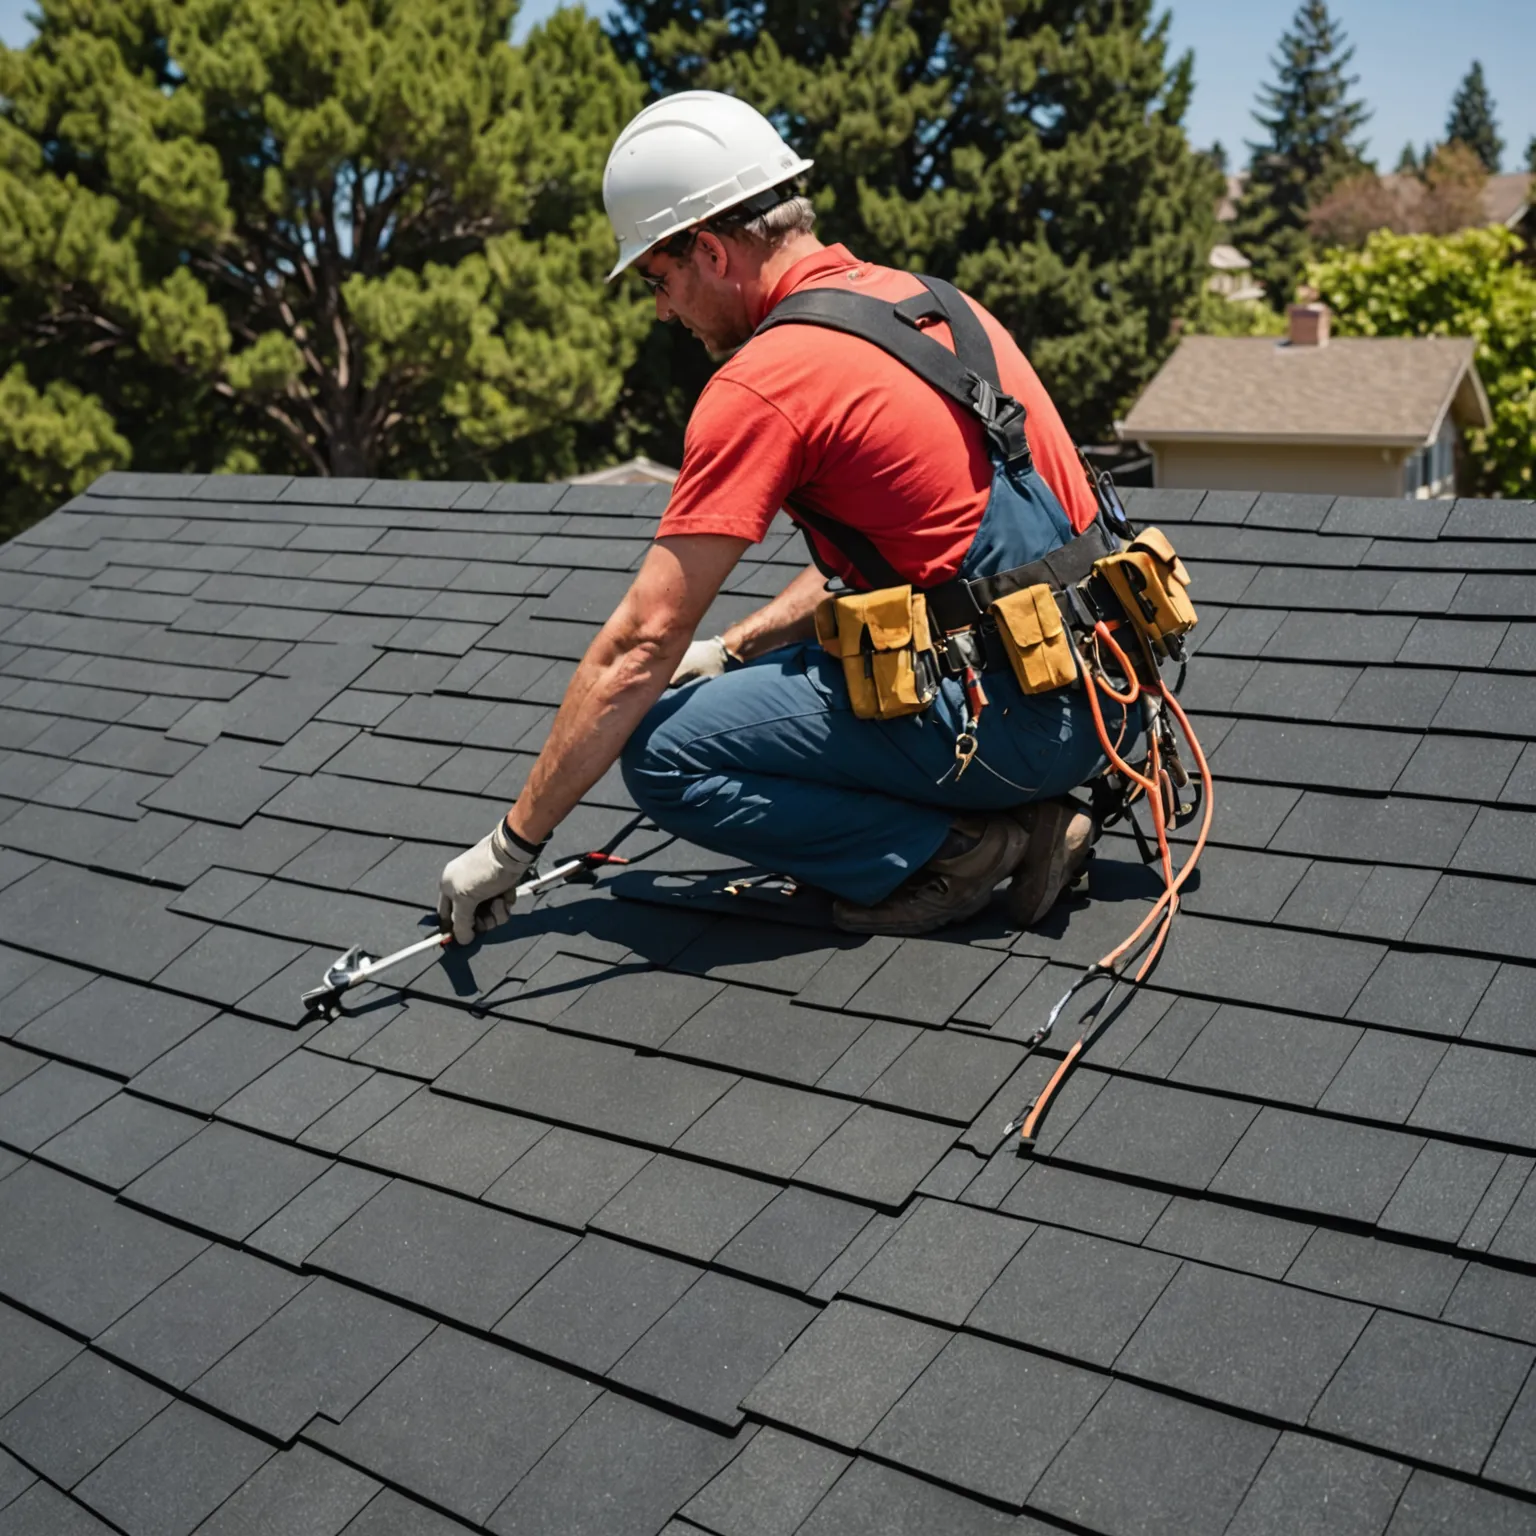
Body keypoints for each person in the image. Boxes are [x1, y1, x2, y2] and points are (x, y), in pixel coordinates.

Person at [438, 90, 1136, 946]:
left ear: (710, 249)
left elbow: (640, 643)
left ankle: (972, 849)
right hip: (1110, 696)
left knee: (662, 752)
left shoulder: (766, 380)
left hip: (1025, 731)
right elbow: (913, 553)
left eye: (659, 280)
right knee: (790, 663)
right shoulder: (934, 305)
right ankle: (1015, 815)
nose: (661, 310)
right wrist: (734, 649)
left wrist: (512, 844)